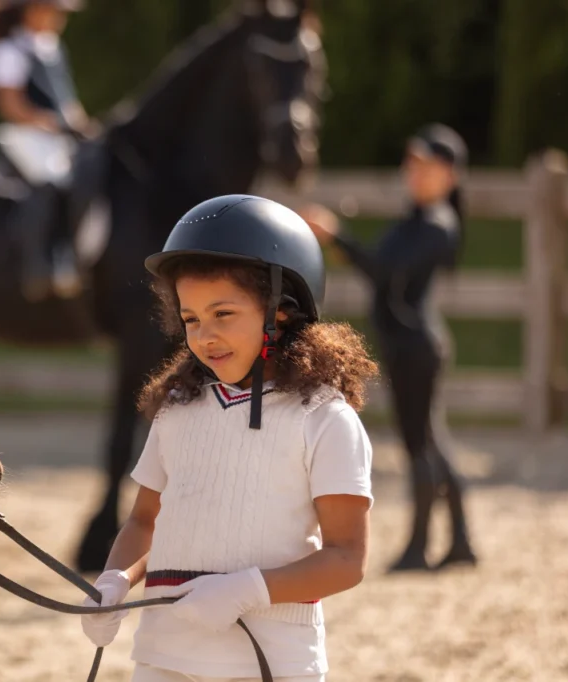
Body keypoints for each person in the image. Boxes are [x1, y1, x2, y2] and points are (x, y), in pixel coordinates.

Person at [80, 195, 378, 681]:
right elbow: (144, 521)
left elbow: (346, 560)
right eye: (191, 318)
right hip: (160, 656)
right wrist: (116, 579)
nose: (204, 336)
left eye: (223, 314)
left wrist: (249, 590)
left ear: (280, 311)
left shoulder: (326, 420)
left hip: (270, 661)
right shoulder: (177, 409)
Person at [298, 123, 478, 572]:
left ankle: (420, 546)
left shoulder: (436, 225)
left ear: (450, 175)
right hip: (411, 344)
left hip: (416, 347)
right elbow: (383, 269)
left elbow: (382, 269)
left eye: (426, 166)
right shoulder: (418, 221)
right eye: (412, 164)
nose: (414, 173)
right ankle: (460, 541)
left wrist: (336, 236)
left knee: (418, 444)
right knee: (430, 440)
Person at [0, 0, 94, 301]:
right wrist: (49, 123)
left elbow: (66, 99)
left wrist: (85, 127)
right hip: (26, 134)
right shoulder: (8, 50)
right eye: (55, 10)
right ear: (32, 10)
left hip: (57, 135)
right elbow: (10, 104)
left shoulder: (51, 46)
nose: (60, 18)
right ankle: (40, 264)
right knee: (50, 179)